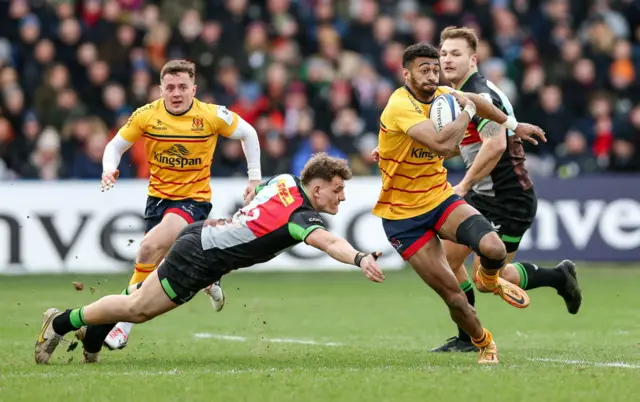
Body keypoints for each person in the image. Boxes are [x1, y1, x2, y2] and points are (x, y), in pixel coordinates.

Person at [35, 154, 384, 365]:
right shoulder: (301, 217)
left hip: (204, 240)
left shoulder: (285, 181)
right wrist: (359, 257)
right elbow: (329, 241)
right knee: (138, 308)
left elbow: (254, 202)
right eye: (337, 188)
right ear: (318, 187)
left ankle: (91, 339)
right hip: (200, 257)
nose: (342, 196)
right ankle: (61, 322)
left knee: (137, 299)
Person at [372, 42, 546, 364]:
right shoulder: (399, 105)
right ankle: (484, 343)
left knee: (493, 249)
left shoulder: (443, 96)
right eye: (424, 70)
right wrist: (466, 110)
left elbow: (482, 103)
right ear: (406, 73)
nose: (432, 74)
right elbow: (443, 140)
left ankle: (491, 278)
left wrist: (513, 126)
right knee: (453, 295)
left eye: (435, 69)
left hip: (439, 197)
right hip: (403, 216)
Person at [429, 26, 582, 353]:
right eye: (443, 54)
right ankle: (468, 337)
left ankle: (559, 277)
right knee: (444, 259)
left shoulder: (481, 94)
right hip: (482, 196)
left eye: (455, 54)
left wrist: (464, 184)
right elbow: (470, 144)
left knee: (487, 281)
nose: (447, 59)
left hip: (509, 200)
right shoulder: (460, 94)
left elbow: (495, 144)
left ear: (473, 59)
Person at [99, 60, 262, 350]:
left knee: (148, 247)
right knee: (161, 263)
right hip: (157, 200)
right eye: (170, 87)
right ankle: (206, 278)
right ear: (161, 89)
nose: (176, 93)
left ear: (193, 89)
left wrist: (254, 178)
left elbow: (248, 133)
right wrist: (109, 168)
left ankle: (122, 326)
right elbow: (115, 146)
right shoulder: (146, 115)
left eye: (183, 87)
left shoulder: (210, 115)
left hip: (193, 201)